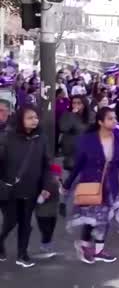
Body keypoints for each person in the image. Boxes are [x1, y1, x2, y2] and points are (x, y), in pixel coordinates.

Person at [63, 107, 119, 264]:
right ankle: (83, 245)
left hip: (110, 186)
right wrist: (68, 184)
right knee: (91, 219)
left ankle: (99, 250)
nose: (114, 121)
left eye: (115, 118)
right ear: (100, 122)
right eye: (110, 118)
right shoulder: (88, 140)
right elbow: (79, 164)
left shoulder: (117, 139)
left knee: (105, 218)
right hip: (91, 184)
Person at [0, 105, 52, 267]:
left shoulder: (41, 138)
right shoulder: (7, 137)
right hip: (10, 190)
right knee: (11, 221)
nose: (34, 120)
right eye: (30, 118)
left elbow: (46, 164)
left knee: (26, 222)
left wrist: (46, 186)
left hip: (31, 188)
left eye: (36, 117)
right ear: (21, 119)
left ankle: (22, 254)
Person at [35, 163, 63, 259]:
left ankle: (47, 246)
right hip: (43, 214)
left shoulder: (58, 183)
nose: (56, 177)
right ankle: (45, 247)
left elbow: (62, 194)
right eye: (55, 175)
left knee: (50, 230)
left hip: (52, 213)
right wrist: (42, 196)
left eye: (58, 175)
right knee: (46, 231)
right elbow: (39, 200)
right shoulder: (46, 184)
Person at [59, 95, 91, 171]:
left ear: (84, 105)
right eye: (74, 103)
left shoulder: (89, 116)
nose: (76, 105)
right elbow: (63, 128)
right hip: (71, 152)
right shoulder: (67, 115)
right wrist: (72, 114)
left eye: (79, 103)